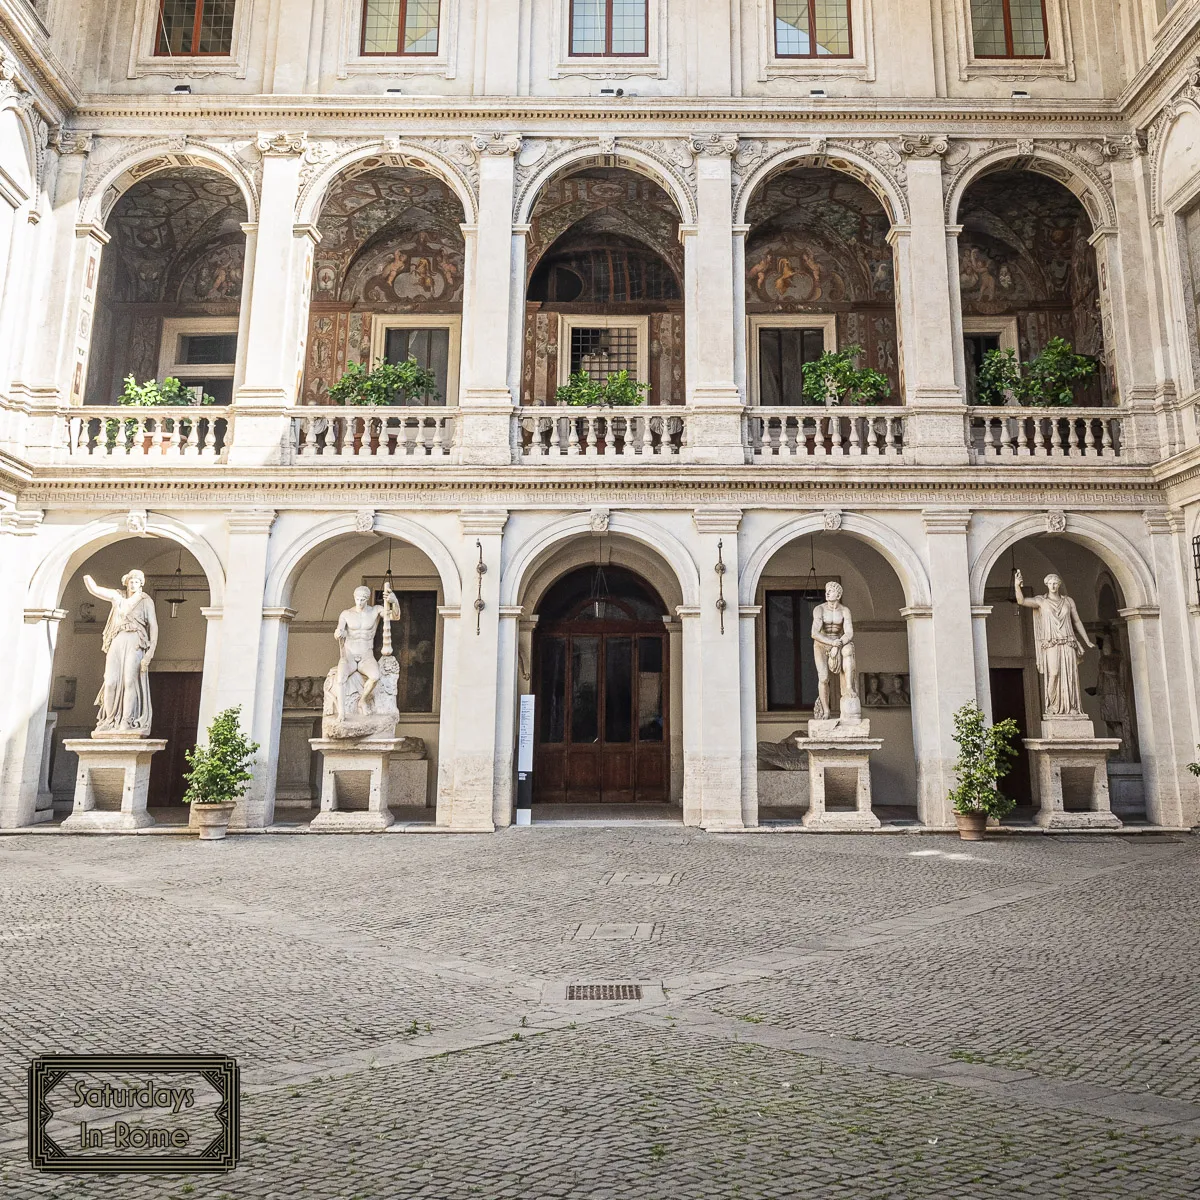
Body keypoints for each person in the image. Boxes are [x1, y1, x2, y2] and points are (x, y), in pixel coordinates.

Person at [84, 569, 158, 734]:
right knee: (110, 682)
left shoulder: (146, 601)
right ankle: (109, 721)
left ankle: (126, 720)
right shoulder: (119, 597)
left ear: (141, 584)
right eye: (131, 581)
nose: (133, 583)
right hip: (118, 639)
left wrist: (150, 652)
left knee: (129, 681)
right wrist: (87, 577)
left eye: (137, 581)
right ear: (126, 582)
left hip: (135, 640)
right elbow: (95, 589)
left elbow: (153, 625)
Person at [1014, 570, 1093, 716]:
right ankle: (1053, 706)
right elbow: (1021, 601)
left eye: (1055, 583)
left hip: (1068, 642)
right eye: (1050, 583)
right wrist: (1017, 586)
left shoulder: (1068, 601)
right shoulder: (1041, 601)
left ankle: (1072, 707)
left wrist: (1086, 640)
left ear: (1059, 584)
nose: (1053, 586)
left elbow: (1077, 621)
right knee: (1054, 673)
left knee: (1070, 674)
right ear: (1046, 585)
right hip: (1051, 643)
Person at [333, 583, 401, 719]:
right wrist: (339, 633)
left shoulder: (375, 610)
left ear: (367, 598)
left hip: (366, 656)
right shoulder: (346, 614)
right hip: (349, 655)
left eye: (362, 599)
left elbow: (394, 617)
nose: (359, 602)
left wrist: (395, 602)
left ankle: (362, 700)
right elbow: (338, 631)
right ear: (354, 597)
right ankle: (342, 712)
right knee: (340, 678)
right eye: (357, 599)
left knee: (375, 676)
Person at [811, 581, 858, 721]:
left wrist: (838, 645)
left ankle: (849, 687)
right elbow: (814, 633)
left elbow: (849, 632)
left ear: (838, 594)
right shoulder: (819, 609)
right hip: (821, 644)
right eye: (827, 590)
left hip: (838, 642)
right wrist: (831, 643)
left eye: (830, 590)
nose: (827, 593)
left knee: (849, 649)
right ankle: (826, 711)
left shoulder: (844, 611)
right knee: (824, 677)